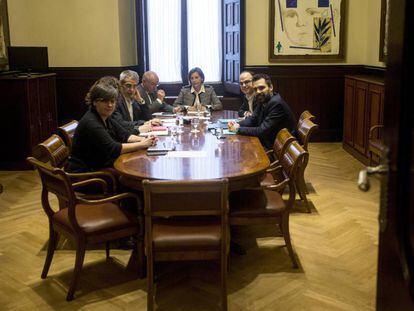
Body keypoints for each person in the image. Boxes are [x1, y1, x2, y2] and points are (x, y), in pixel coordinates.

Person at [67, 81, 157, 172]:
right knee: (136, 170)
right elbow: (113, 149)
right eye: (105, 101)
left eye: (112, 101)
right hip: (87, 172)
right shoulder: (91, 122)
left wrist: (145, 139)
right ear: (95, 102)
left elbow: (125, 135)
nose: (110, 105)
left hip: (100, 164)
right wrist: (142, 144)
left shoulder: (105, 116)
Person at [228, 73, 296, 150]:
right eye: (255, 89)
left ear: (270, 87)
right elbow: (252, 120)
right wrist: (236, 124)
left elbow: (262, 131)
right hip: (269, 142)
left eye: (261, 88)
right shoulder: (262, 100)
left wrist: (237, 129)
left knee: (240, 150)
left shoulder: (276, 104)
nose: (258, 92)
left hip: (280, 149)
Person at [112, 70, 159, 135]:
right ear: (120, 85)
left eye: (134, 86)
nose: (132, 89)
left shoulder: (134, 100)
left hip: (133, 134)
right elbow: (120, 123)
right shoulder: (115, 100)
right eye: (128, 86)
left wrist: (140, 100)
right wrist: (143, 123)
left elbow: (148, 118)